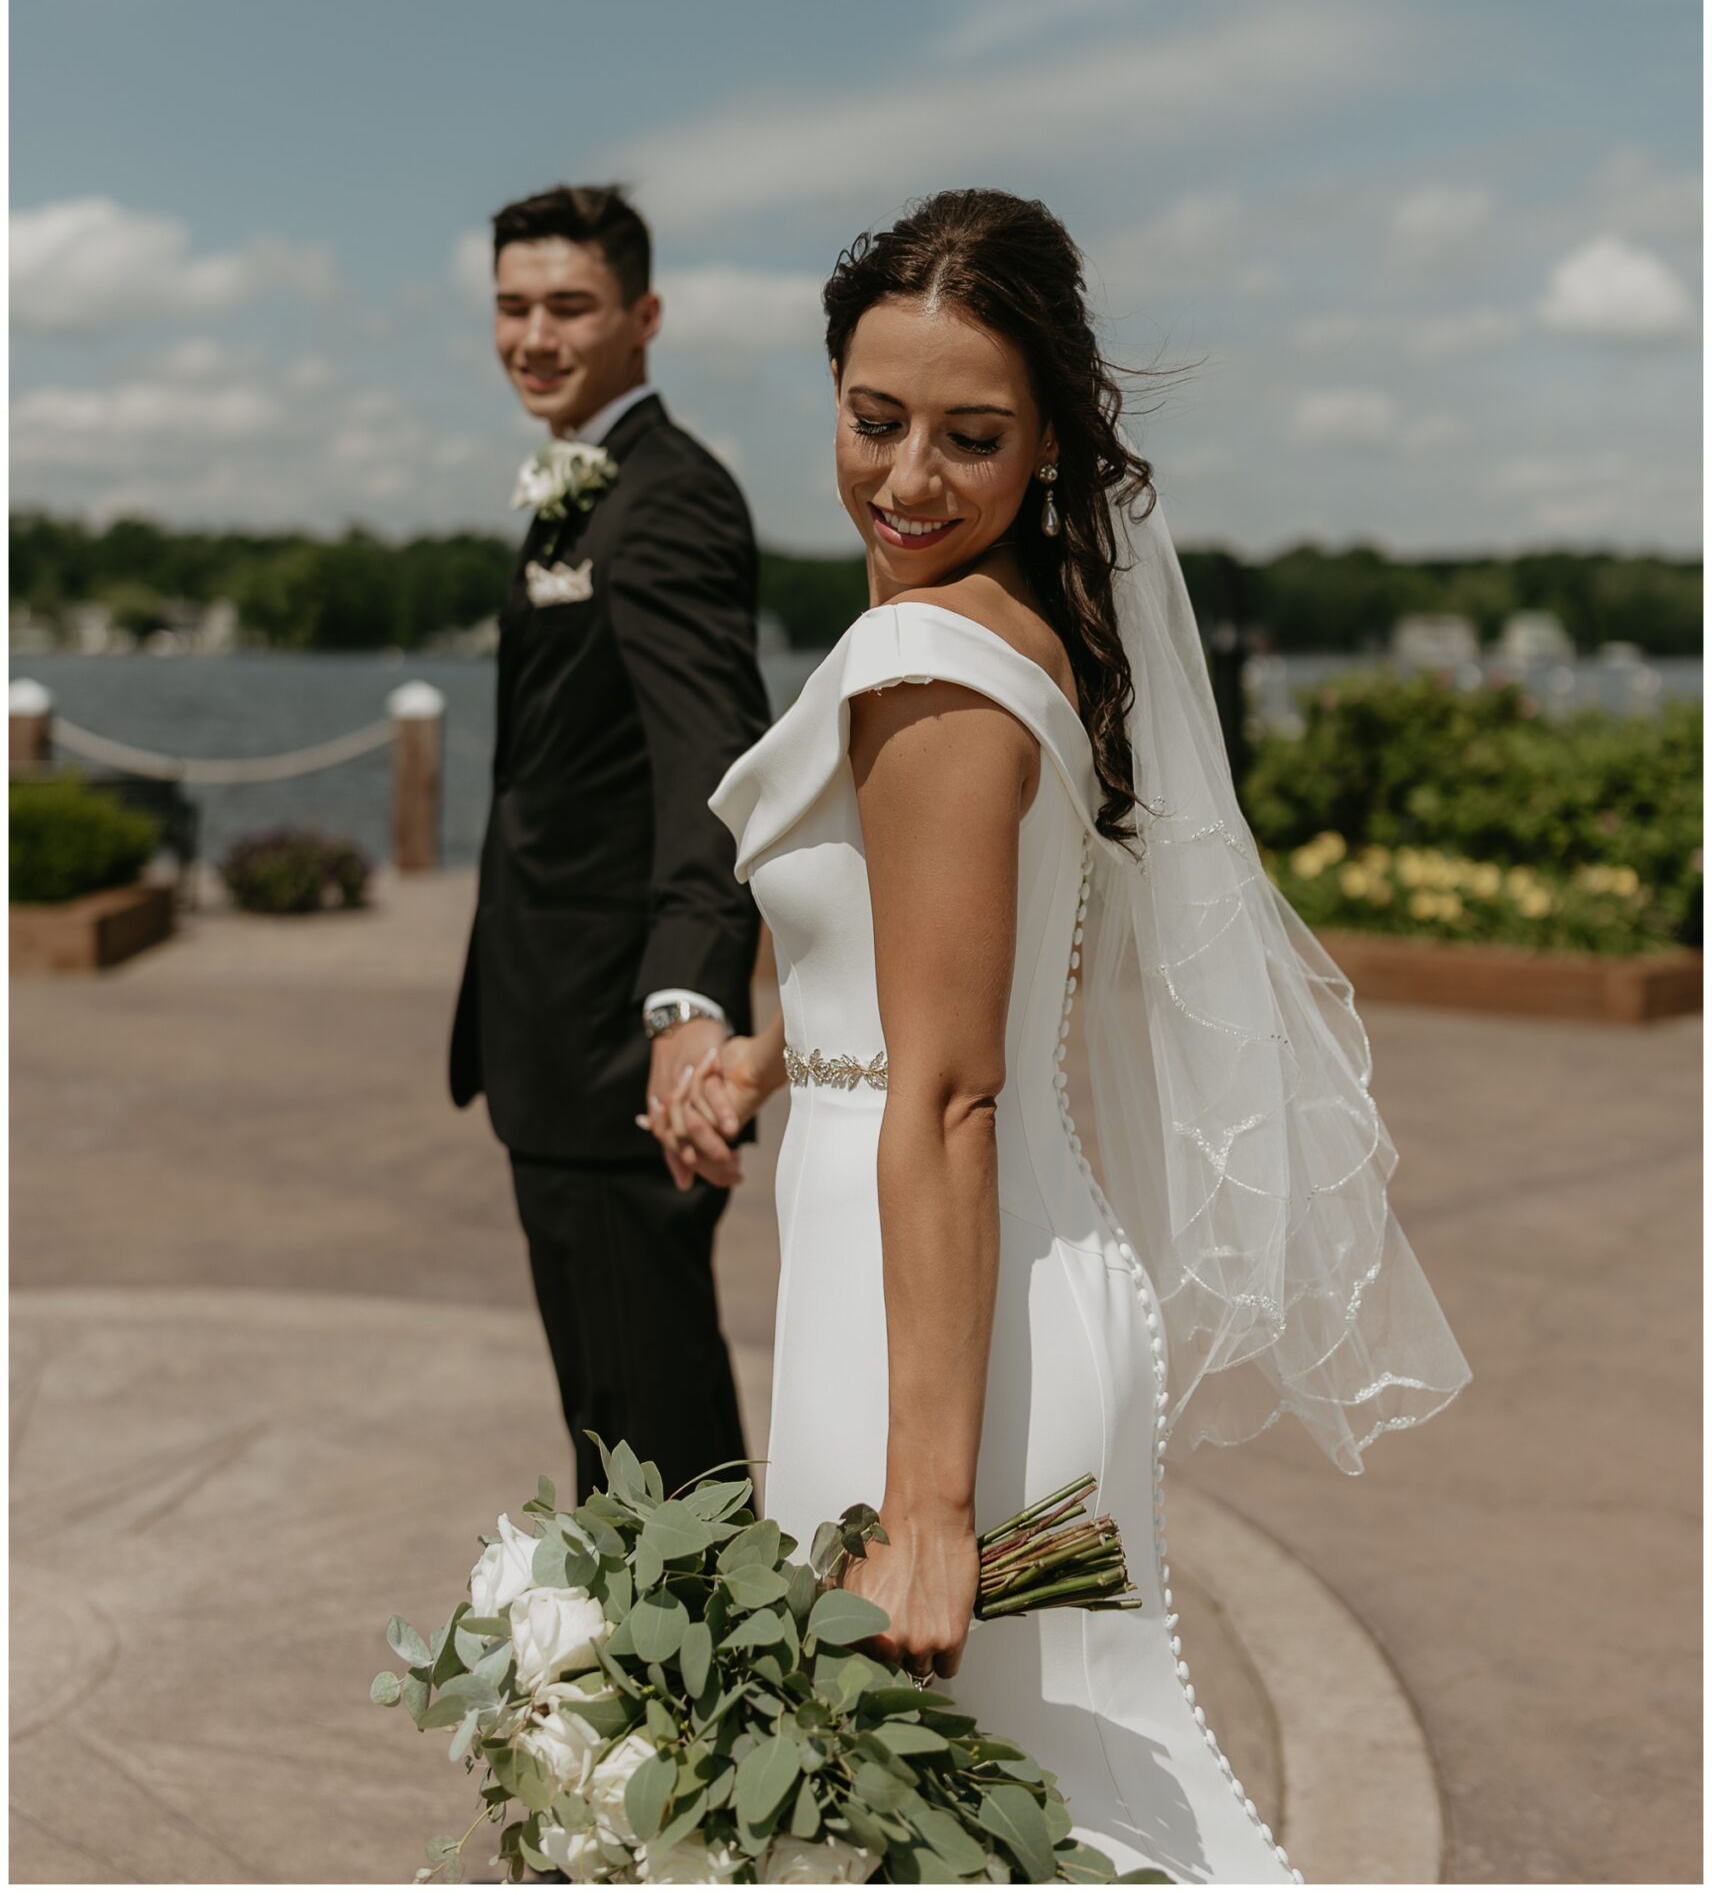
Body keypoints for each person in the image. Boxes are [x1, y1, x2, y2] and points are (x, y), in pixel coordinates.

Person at [649, 189, 1470, 1882]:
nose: (908, 481)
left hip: (942, 1329)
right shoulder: (1004, 624)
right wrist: (764, 1055)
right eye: (874, 423)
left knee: (1033, 1827)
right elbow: (911, 978)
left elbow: (949, 1090)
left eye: (971, 437)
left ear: (1045, 445)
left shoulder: (926, 657)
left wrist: (930, 1511)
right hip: (954, 1286)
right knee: (976, 1830)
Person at [451, 183, 772, 1501]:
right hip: (551, 1038)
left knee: (656, 1438)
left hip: (616, 1053)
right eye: (514, 307)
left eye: (569, 307)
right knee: (610, 1429)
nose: (535, 336)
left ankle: (705, 1700)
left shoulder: (669, 498)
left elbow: (713, 768)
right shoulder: (581, 489)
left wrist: (686, 999)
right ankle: (635, 1696)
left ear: (643, 317)